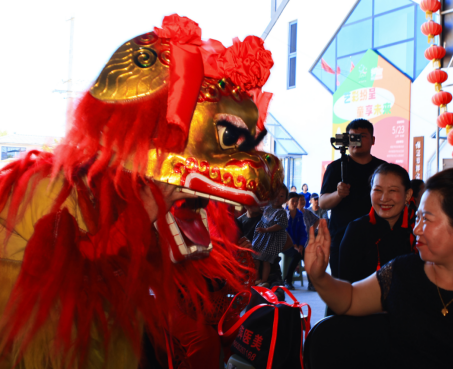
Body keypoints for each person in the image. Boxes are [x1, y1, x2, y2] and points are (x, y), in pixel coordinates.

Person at [0, 15, 283, 369]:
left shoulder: (145, 198)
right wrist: (144, 213)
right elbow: (58, 294)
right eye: (224, 138)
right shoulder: (50, 193)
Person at [305, 168, 453, 369]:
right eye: (417, 218)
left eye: (426, 220)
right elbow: (350, 299)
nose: (416, 229)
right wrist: (319, 276)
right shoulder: (403, 272)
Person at [320, 118, 386, 278]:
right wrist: (338, 194)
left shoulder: (383, 168)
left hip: (376, 238)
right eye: (352, 136)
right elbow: (322, 203)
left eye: (362, 136)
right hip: (341, 238)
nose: (357, 140)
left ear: (373, 140)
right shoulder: (335, 167)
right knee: (342, 289)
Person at [339, 163, 415, 285]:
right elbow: (345, 285)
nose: (384, 198)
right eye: (378, 190)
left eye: (392, 190)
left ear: (408, 195)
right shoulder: (356, 230)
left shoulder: (418, 229)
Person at [252, 185, 289, 285]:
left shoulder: (282, 212)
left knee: (266, 261)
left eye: (281, 196)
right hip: (261, 237)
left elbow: (280, 226)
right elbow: (263, 211)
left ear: (285, 200)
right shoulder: (268, 207)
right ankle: (257, 278)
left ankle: (264, 280)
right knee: (255, 258)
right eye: (276, 195)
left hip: (271, 239)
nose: (277, 198)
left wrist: (266, 229)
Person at [283, 192, 308, 290]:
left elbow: (303, 232)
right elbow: (285, 232)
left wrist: (301, 245)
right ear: (287, 202)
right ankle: (287, 280)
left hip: (297, 244)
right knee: (297, 254)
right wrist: (294, 245)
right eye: (292, 201)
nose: (295, 203)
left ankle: (311, 282)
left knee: (308, 253)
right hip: (285, 244)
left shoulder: (299, 214)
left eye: (296, 201)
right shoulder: (283, 214)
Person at [298, 195, 320, 291]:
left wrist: (312, 229)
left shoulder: (307, 212)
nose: (302, 201)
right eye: (300, 200)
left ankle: (312, 283)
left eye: (303, 200)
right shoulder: (293, 213)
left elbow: (317, 219)